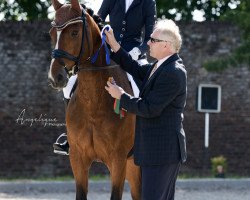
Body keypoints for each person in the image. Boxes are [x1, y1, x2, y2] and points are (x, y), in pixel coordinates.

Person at [53, 0, 156, 155]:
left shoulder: (147, 3)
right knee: (69, 85)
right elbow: (96, 21)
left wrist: (139, 49)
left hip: (133, 54)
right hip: (108, 51)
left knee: (145, 85)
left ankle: (146, 134)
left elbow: (151, 35)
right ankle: (70, 136)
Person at [105, 19, 187, 200]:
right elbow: (134, 67)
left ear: (166, 45)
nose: (148, 43)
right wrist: (115, 45)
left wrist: (121, 96)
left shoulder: (173, 72)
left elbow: (149, 108)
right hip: (155, 152)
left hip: (162, 153)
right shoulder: (160, 67)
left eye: (153, 40)